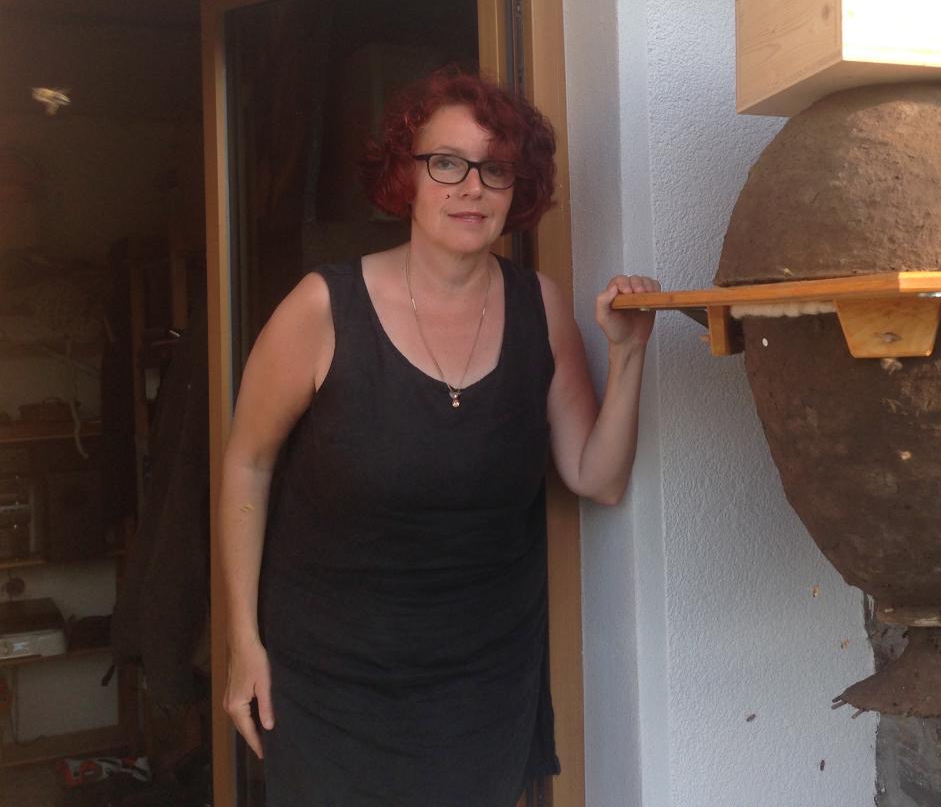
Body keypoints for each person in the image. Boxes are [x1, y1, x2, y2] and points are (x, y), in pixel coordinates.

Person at [217, 65, 659, 806]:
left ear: (518, 188)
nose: (472, 188)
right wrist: (242, 641)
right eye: (446, 163)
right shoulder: (324, 307)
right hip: (331, 687)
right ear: (406, 176)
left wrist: (628, 353)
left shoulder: (539, 307)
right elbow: (248, 465)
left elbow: (599, 478)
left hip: (480, 692)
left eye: (496, 168)